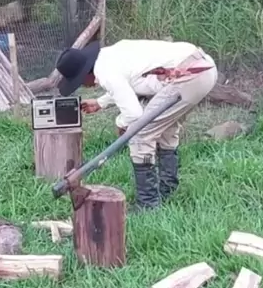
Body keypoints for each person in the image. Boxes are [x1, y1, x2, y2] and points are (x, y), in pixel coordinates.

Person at [55, 39, 217, 211]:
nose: (84, 85)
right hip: (203, 67)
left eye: (80, 82)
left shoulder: (105, 72)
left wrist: (121, 123)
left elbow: (134, 115)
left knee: (140, 134)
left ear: (85, 73)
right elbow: (131, 83)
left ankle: (148, 205)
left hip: (187, 76)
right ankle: (167, 191)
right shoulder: (112, 54)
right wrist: (101, 102)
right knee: (165, 129)